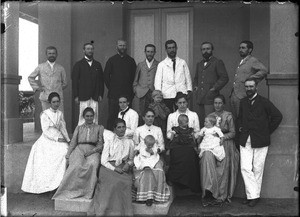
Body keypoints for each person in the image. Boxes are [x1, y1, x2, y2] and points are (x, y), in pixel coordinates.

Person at [238, 78, 282, 207]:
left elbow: (278, 116)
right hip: (245, 139)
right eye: (246, 87)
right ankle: (254, 195)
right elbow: (240, 118)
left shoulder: (264, 102)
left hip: (261, 139)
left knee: (258, 168)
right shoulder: (243, 102)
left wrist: (266, 131)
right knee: (245, 168)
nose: (248, 89)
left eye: (251, 86)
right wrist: (240, 127)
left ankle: (252, 196)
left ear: (256, 87)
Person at [21, 92, 70, 193]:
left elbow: (63, 128)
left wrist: (67, 139)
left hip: (58, 135)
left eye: (57, 101)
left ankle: (59, 183)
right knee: (51, 154)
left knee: (65, 150)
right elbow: (46, 131)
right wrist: (57, 139)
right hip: (48, 138)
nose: (56, 104)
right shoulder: (45, 114)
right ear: (49, 102)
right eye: (54, 102)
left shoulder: (60, 113)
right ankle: (49, 184)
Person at [52, 107, 104, 200]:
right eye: (87, 116)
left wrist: (92, 151)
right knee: (76, 165)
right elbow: (73, 142)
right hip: (79, 149)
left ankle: (87, 192)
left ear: (94, 116)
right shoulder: (79, 128)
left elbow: (100, 144)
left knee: (92, 164)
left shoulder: (99, 127)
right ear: (83, 117)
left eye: (91, 116)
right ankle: (70, 191)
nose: (89, 118)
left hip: (93, 150)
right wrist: (68, 155)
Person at [88, 118, 134, 216]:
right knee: (112, 183)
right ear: (114, 129)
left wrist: (128, 164)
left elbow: (131, 159)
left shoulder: (130, 142)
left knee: (125, 183)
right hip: (108, 167)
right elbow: (103, 161)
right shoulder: (109, 141)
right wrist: (114, 169)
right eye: (119, 127)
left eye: (123, 127)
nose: (122, 129)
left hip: (122, 167)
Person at [206, 94, 239, 204]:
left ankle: (222, 195)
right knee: (212, 168)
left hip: (225, 143)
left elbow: (233, 132)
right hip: (212, 144)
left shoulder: (228, 116)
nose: (217, 105)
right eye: (215, 103)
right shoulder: (210, 116)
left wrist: (222, 137)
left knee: (223, 170)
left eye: (220, 103)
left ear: (223, 104)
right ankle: (212, 193)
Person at [132, 108, 170, 206]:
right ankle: (146, 196)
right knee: (146, 170)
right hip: (142, 155)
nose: (150, 118)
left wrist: (155, 151)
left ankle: (155, 196)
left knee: (158, 170)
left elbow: (162, 146)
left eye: (152, 116)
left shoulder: (157, 129)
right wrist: (138, 150)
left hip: (154, 155)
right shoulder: (138, 129)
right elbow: (135, 144)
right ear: (143, 117)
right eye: (148, 116)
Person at [166, 92, 200, 193]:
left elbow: (197, 131)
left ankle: (190, 184)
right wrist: (173, 134)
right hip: (176, 144)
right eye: (179, 103)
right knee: (177, 155)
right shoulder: (172, 116)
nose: (182, 105)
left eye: (184, 102)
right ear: (176, 103)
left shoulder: (193, 115)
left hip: (189, 142)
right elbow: (168, 133)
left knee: (190, 155)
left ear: (187, 103)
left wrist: (191, 135)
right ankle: (177, 182)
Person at [193, 42, 229, 127]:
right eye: (203, 49)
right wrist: (195, 87)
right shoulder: (200, 64)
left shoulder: (217, 62)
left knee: (210, 121)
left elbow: (224, 78)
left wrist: (214, 88)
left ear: (212, 50)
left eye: (208, 49)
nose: (206, 51)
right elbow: (196, 78)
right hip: (199, 98)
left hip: (210, 97)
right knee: (201, 120)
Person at [230, 40, 268, 119]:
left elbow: (264, 70)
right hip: (234, 94)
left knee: (242, 118)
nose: (240, 50)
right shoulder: (241, 61)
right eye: (240, 48)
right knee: (235, 119)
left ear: (250, 50)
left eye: (243, 48)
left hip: (242, 94)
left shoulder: (252, 60)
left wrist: (251, 79)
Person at [104, 39, 137, 130]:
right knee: (112, 116)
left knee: (127, 116)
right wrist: (112, 88)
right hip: (114, 94)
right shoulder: (111, 60)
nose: (122, 47)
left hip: (127, 94)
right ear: (117, 47)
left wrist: (131, 92)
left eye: (124, 45)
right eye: (120, 45)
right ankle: (110, 136)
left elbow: (135, 77)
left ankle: (126, 136)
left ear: (126, 47)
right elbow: (106, 76)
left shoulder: (131, 61)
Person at [154, 39, 192, 112]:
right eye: (169, 48)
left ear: (176, 48)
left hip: (181, 93)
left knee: (182, 113)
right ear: (166, 50)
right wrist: (158, 94)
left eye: (173, 47)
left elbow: (188, 77)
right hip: (167, 94)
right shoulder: (162, 64)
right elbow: (157, 80)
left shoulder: (182, 62)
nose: (172, 50)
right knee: (168, 115)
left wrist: (189, 90)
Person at [72, 42, 104, 125]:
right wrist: (76, 96)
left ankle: (94, 135)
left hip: (95, 95)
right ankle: (82, 136)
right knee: (82, 117)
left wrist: (100, 94)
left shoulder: (98, 64)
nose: (90, 50)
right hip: (83, 96)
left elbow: (101, 80)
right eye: (88, 49)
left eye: (91, 49)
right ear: (84, 50)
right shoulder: (78, 64)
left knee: (95, 116)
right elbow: (75, 81)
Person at [28, 46, 67, 112]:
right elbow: (30, 77)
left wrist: (57, 88)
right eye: (50, 53)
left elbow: (65, 83)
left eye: (53, 53)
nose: (52, 55)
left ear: (56, 55)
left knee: (59, 119)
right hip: (45, 98)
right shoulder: (41, 67)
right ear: (46, 54)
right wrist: (37, 87)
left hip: (58, 98)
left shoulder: (61, 68)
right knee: (47, 118)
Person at [133, 44, 159, 115]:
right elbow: (136, 79)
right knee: (143, 113)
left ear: (154, 52)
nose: (150, 53)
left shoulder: (159, 64)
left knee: (154, 114)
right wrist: (135, 89)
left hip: (154, 93)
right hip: (142, 93)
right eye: (148, 51)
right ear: (145, 52)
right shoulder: (140, 65)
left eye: (151, 52)